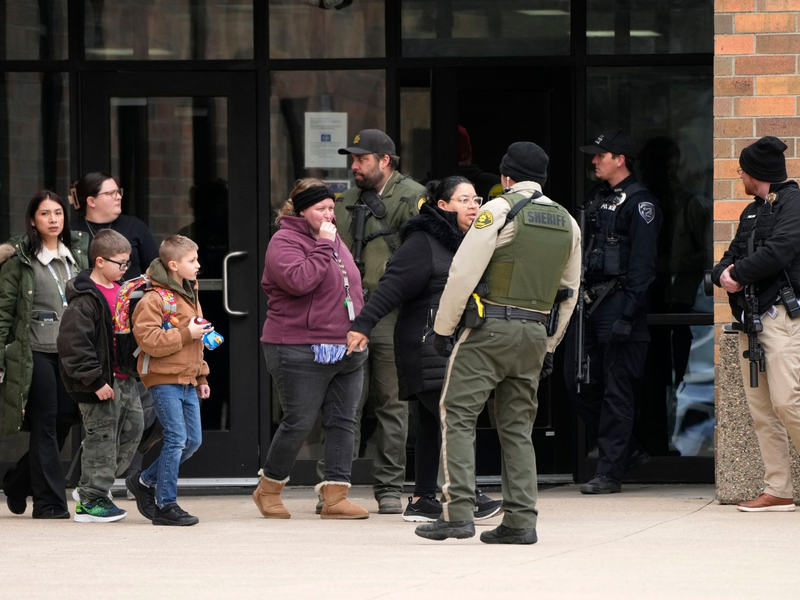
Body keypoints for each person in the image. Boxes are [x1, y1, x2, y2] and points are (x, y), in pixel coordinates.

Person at [415, 142, 580, 544]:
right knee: (517, 429)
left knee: (456, 413)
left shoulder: (500, 209)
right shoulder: (568, 222)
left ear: (506, 177)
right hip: (534, 334)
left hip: (491, 329)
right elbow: (569, 292)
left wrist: (442, 329)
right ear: (542, 178)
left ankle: (456, 515)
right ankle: (521, 522)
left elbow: (462, 272)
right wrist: (550, 345)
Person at [346, 176, 501, 522]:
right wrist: (363, 325)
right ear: (442, 206)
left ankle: (423, 500)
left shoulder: (471, 242)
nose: (473, 206)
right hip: (425, 344)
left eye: (476, 199)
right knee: (455, 418)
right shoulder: (423, 242)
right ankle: (466, 493)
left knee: (435, 423)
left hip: (455, 345)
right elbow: (391, 286)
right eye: (463, 200)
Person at [253, 179, 369, 519]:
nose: (329, 214)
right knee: (299, 422)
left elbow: (351, 287)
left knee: (343, 421)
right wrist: (322, 245)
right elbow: (299, 281)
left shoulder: (333, 239)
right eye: (321, 209)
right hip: (298, 347)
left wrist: (360, 329)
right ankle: (269, 488)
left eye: (332, 208)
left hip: (345, 346)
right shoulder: (284, 241)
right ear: (300, 210)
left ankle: (335, 495)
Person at [334, 128, 427, 514]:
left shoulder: (413, 196)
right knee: (344, 402)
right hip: (347, 312)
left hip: (390, 312)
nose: (354, 166)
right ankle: (334, 483)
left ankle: (389, 487)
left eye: (362, 159)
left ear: (385, 160)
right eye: (352, 159)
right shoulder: (344, 199)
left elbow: (421, 256)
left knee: (391, 402)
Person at [564, 129, 662, 495]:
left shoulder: (641, 203)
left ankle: (610, 472)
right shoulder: (598, 197)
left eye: (600, 155)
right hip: (589, 303)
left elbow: (642, 267)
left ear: (620, 158)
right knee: (576, 383)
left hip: (620, 303)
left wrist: (628, 315)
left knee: (617, 391)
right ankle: (629, 450)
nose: (593, 160)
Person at [712, 136, 800, 513]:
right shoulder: (752, 210)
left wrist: (739, 275)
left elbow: (780, 249)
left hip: (781, 317)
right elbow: (729, 256)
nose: (741, 177)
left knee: (788, 402)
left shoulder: (793, 203)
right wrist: (721, 276)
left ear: (757, 173)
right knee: (762, 410)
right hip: (753, 321)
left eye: (743, 171)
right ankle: (778, 488)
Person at [0, 190, 89, 518]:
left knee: (67, 417)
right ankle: (50, 502)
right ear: (33, 221)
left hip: (71, 351)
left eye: (58, 213)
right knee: (46, 421)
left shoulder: (77, 255)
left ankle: (17, 480)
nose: (53, 219)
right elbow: (3, 313)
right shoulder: (20, 261)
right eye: (45, 214)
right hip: (34, 350)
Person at [57, 229, 144, 522]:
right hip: (99, 382)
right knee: (102, 437)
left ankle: (94, 487)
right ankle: (90, 500)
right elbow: (74, 345)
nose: (125, 269)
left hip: (124, 377)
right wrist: (94, 381)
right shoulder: (85, 298)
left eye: (127, 263)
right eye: (120, 263)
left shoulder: (121, 292)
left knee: (133, 430)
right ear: (99, 261)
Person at [124, 235, 210, 526]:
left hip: (187, 379)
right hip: (162, 379)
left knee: (193, 441)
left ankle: (144, 481)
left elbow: (198, 341)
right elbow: (149, 340)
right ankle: (166, 505)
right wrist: (187, 333)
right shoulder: (154, 299)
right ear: (173, 265)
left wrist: (201, 376)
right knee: (176, 438)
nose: (198, 265)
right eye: (192, 260)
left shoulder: (190, 293)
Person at [70, 172, 158, 280]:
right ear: (91, 201)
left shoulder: (135, 227)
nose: (119, 197)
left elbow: (155, 270)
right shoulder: (72, 231)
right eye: (111, 193)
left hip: (134, 296)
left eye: (118, 192)